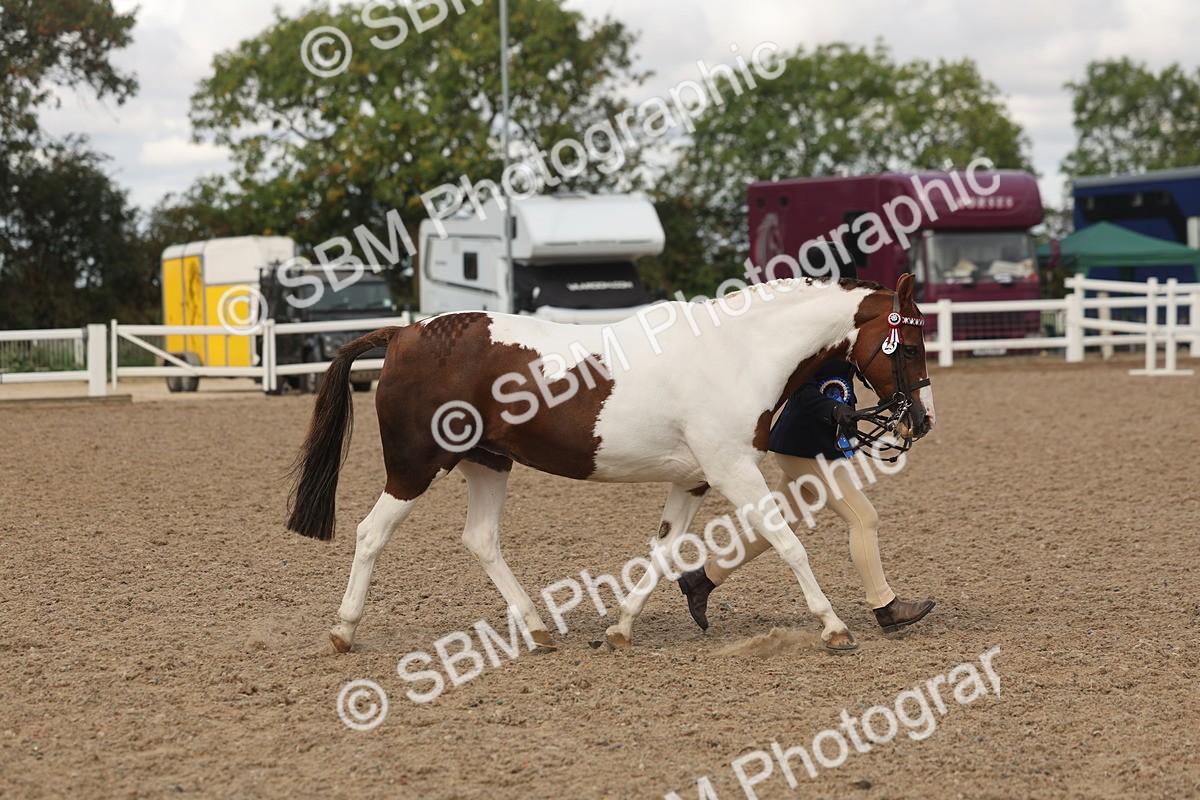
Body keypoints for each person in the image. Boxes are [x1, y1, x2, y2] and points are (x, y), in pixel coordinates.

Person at [676, 307, 935, 635]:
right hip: (805, 444)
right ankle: (885, 605)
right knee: (863, 518)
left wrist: (899, 411)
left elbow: (873, 374)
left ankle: (702, 579)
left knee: (778, 523)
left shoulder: (850, 340)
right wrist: (836, 410)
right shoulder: (814, 340)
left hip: (815, 445)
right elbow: (801, 391)